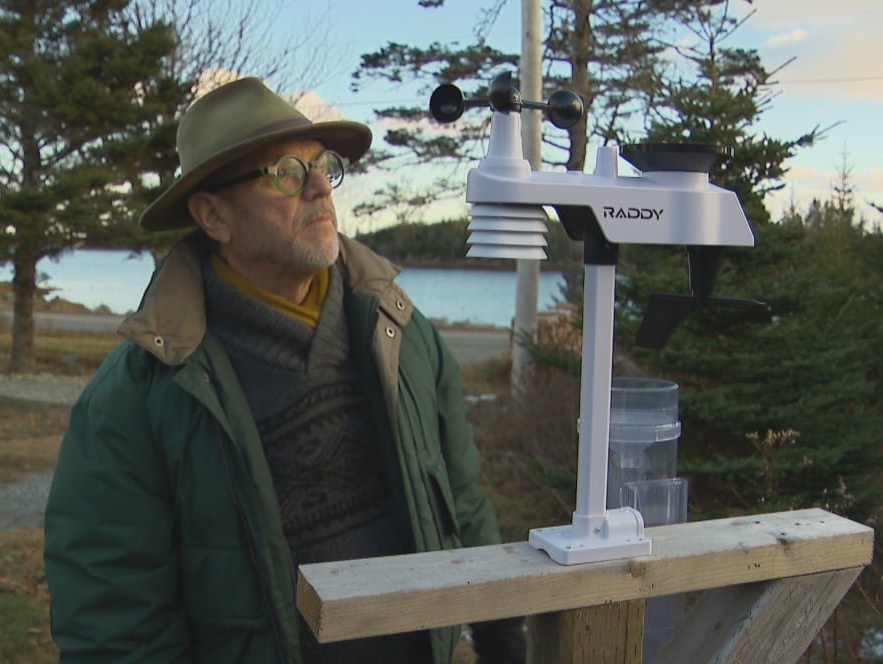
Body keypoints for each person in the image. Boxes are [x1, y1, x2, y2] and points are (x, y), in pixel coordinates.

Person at [43, 77, 525, 663]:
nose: (321, 187)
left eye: (321, 165)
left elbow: (463, 502)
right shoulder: (139, 396)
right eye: (285, 173)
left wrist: (502, 639)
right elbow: (115, 628)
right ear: (213, 215)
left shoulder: (401, 332)